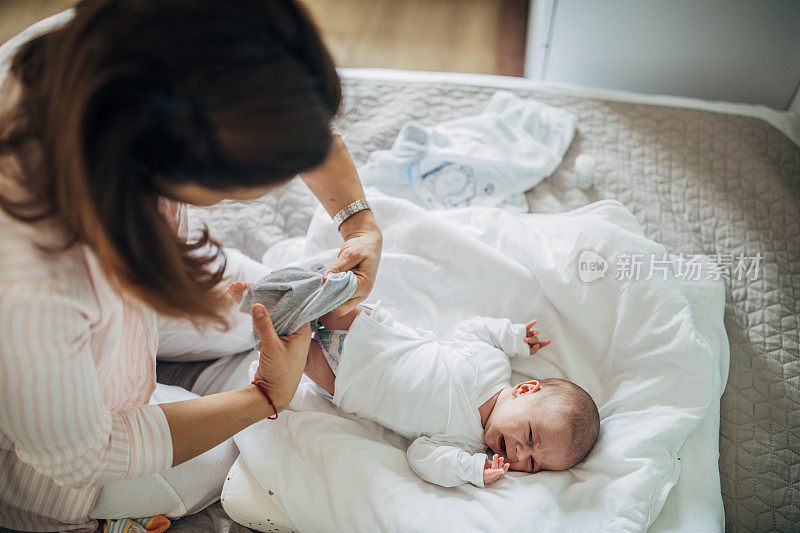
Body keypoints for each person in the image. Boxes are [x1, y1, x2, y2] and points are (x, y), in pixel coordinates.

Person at [0, 1, 382, 531]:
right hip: (44, 464)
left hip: (118, 291)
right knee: (236, 456)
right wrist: (264, 398)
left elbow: (292, 120)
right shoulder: (32, 278)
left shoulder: (121, 43)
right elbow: (78, 457)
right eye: (240, 186)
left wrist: (357, 222)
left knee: (264, 299)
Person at [232, 277, 600, 488]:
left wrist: (471, 471)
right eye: (532, 438)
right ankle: (264, 288)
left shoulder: (466, 446)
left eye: (533, 465)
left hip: (344, 383)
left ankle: (254, 310)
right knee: (327, 293)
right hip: (372, 334)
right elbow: (469, 330)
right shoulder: (493, 364)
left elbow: (420, 456)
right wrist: (513, 336)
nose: (519, 454)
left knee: (288, 347)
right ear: (525, 389)